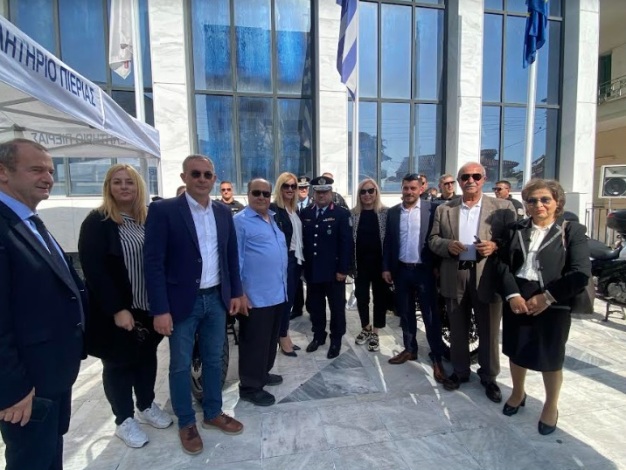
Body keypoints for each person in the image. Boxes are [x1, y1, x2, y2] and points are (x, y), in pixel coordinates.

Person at [144, 155, 244, 455]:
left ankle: (213, 412)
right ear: (184, 177)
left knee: (214, 359)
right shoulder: (163, 210)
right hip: (180, 303)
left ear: (214, 178)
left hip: (216, 298)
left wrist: (235, 293)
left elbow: (230, 256)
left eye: (207, 174)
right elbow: (153, 264)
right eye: (196, 174)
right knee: (179, 364)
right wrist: (160, 309)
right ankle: (186, 422)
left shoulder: (222, 212)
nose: (202, 179)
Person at [0, 138, 86, 470]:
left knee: (50, 456)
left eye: (50, 171)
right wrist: (12, 389)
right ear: (3, 172)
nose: (48, 178)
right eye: (36, 169)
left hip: (52, 375)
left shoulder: (30, 220)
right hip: (26, 388)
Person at [78, 164, 172, 449]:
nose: (123, 187)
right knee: (118, 363)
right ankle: (124, 419)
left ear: (138, 186)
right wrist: (117, 308)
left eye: (129, 182)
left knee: (146, 358)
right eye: (117, 182)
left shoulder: (147, 219)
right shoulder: (98, 221)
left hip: (148, 306)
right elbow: (94, 271)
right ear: (108, 186)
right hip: (117, 309)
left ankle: (146, 405)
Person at [497, 179, 590, 435]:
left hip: (554, 300)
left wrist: (547, 297)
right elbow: (502, 265)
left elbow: (580, 272)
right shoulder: (515, 229)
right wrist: (512, 295)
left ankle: (550, 406)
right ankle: (518, 393)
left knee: (550, 355)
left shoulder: (572, 231)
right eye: (532, 200)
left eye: (545, 199)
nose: (538, 204)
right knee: (516, 350)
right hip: (518, 297)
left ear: (557, 202)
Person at [428, 162, 515, 403]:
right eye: (465, 177)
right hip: (455, 272)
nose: (470, 180)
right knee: (457, 327)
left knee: (489, 329)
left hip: (487, 274)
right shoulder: (444, 209)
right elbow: (433, 240)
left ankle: (489, 376)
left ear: (484, 179)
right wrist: (448, 245)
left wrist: (495, 246)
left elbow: (513, 241)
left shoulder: (503, 207)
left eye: (476, 176)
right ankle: (460, 371)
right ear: (459, 181)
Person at [382, 174, 446, 383]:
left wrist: (438, 266)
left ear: (421, 189)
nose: (409, 192)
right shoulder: (393, 212)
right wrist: (386, 267)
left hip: (425, 271)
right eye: (405, 188)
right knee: (405, 312)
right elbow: (389, 241)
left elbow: (439, 239)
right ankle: (410, 349)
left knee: (430, 315)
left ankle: (437, 357)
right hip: (401, 270)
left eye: (412, 188)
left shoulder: (433, 209)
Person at [234, 179, 288, 406]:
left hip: (276, 293)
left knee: (269, 340)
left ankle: (262, 373)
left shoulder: (272, 219)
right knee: (254, 343)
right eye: (256, 193)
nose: (261, 197)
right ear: (248, 194)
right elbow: (235, 259)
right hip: (255, 297)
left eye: (266, 194)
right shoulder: (240, 222)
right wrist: (239, 293)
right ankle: (250, 386)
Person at [301, 175, 353, 358]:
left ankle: (336, 339)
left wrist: (343, 270)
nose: (321, 195)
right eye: (318, 192)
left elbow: (346, 244)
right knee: (315, 306)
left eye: (325, 192)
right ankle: (318, 335)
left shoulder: (341, 214)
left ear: (331, 192)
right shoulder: (306, 213)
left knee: (337, 308)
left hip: (333, 272)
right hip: (313, 271)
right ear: (313, 193)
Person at [351, 178, 388, 352]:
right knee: (362, 297)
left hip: (380, 265)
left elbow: (390, 240)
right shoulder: (353, 214)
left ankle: (375, 332)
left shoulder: (385, 213)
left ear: (376, 192)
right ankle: (365, 327)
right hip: (360, 265)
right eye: (363, 191)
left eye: (370, 191)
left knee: (380, 299)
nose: (367, 195)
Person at [270, 172, 304, 356]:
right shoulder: (274, 209)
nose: (290, 189)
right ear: (279, 187)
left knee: (289, 300)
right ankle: (282, 337)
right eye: (286, 186)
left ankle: (285, 334)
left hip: (297, 260)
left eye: (293, 186)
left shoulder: (295, 209)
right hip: (285, 260)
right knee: (285, 302)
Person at [291, 175, 311, 319]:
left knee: (311, 280)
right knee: (297, 280)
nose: (303, 190)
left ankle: (311, 308)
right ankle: (297, 308)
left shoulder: (314, 203)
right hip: (297, 248)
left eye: (305, 187)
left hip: (310, 248)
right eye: (301, 188)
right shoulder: (292, 204)